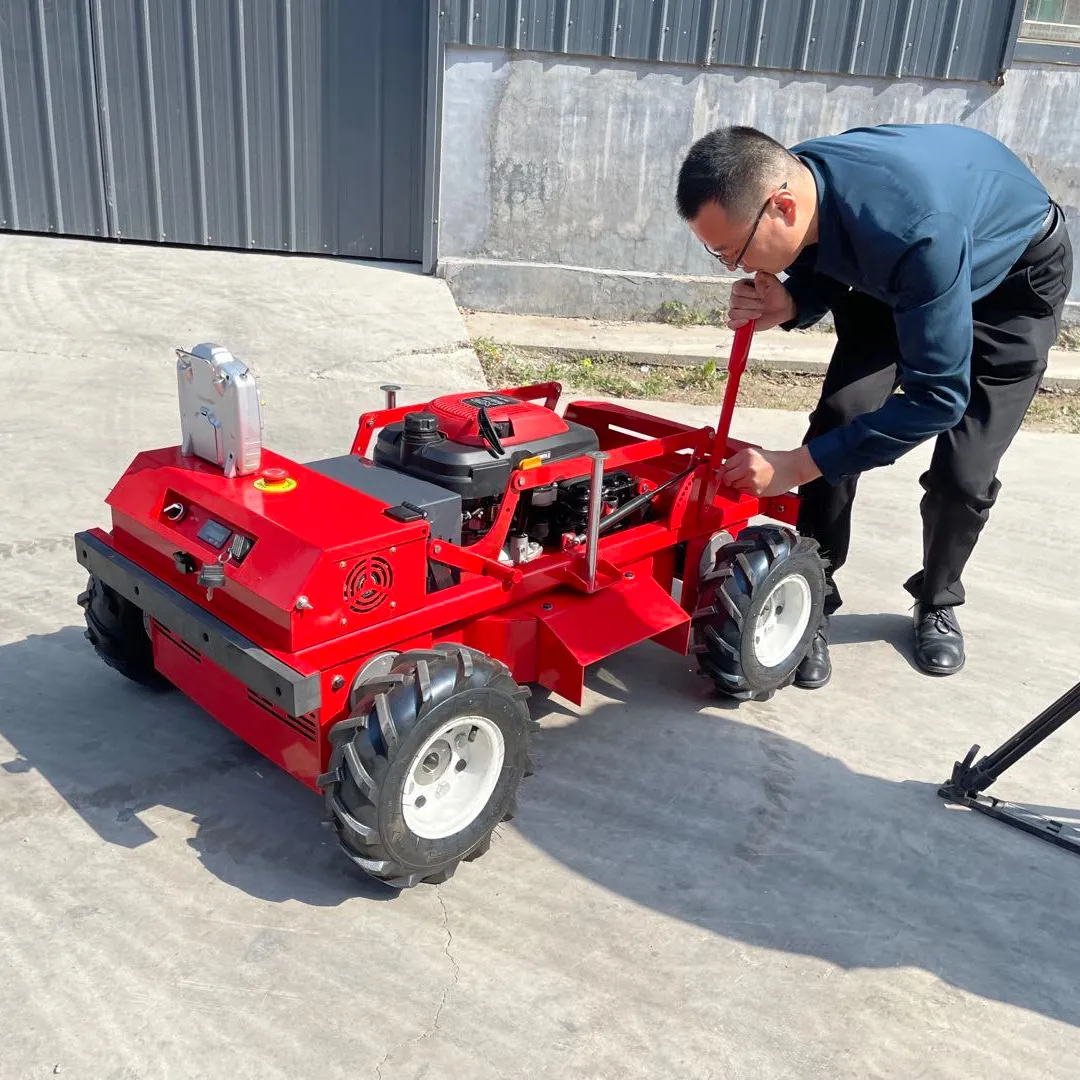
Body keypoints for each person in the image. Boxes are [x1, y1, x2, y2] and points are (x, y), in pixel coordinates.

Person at [675, 123, 1073, 688]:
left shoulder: (916, 234)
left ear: (781, 206)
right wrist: (793, 299)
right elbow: (832, 251)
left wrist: (797, 465)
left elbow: (938, 398)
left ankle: (937, 598)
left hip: (1010, 281)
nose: (737, 269)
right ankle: (813, 589)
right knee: (841, 418)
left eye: (732, 251)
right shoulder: (802, 173)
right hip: (904, 273)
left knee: (964, 472)